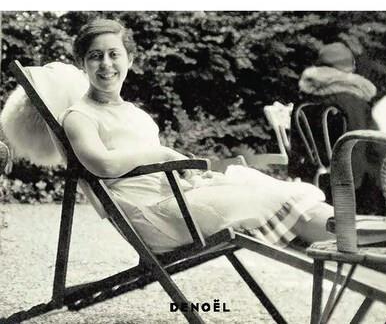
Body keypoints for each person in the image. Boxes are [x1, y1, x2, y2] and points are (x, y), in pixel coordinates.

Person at [61, 18, 334, 254]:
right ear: (82, 63)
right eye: (95, 56)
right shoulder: (79, 116)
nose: (106, 64)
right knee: (268, 199)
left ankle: (349, 235)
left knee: (265, 187)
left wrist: (190, 177)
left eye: (114, 54)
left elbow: (153, 173)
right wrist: (164, 154)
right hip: (153, 216)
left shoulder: (136, 115)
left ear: (129, 60)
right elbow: (104, 165)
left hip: (176, 201)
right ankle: (348, 240)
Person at [290, 42, 385, 213]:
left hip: (315, 176)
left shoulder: (304, 100)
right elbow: (367, 145)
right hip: (353, 184)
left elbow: (297, 146)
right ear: (349, 68)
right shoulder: (353, 101)